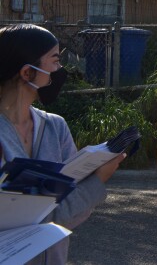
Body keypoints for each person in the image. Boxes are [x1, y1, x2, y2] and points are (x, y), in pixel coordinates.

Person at [0, 24, 124, 265]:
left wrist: (88, 182)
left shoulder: (56, 127)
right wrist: (96, 182)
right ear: (27, 73)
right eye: (54, 61)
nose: (60, 70)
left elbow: (71, 212)